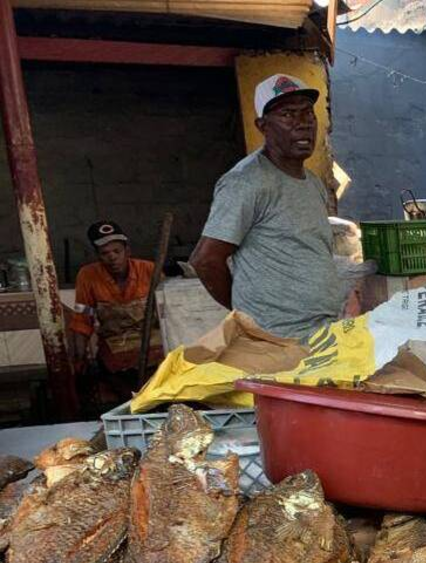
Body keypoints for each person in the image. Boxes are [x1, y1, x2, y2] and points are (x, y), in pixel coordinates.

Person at [189, 74, 343, 340]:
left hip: (321, 331)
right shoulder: (246, 182)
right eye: (288, 115)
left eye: (308, 113)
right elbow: (205, 260)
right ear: (263, 126)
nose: (303, 124)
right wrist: (249, 318)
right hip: (277, 340)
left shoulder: (314, 183)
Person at [69, 221, 162, 400]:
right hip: (114, 345)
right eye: (105, 253)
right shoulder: (87, 276)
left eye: (117, 251)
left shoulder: (150, 270)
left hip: (153, 342)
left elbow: (168, 313)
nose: (112, 257)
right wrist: (80, 357)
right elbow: (82, 318)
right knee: (123, 387)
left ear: (127, 251)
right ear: (97, 256)